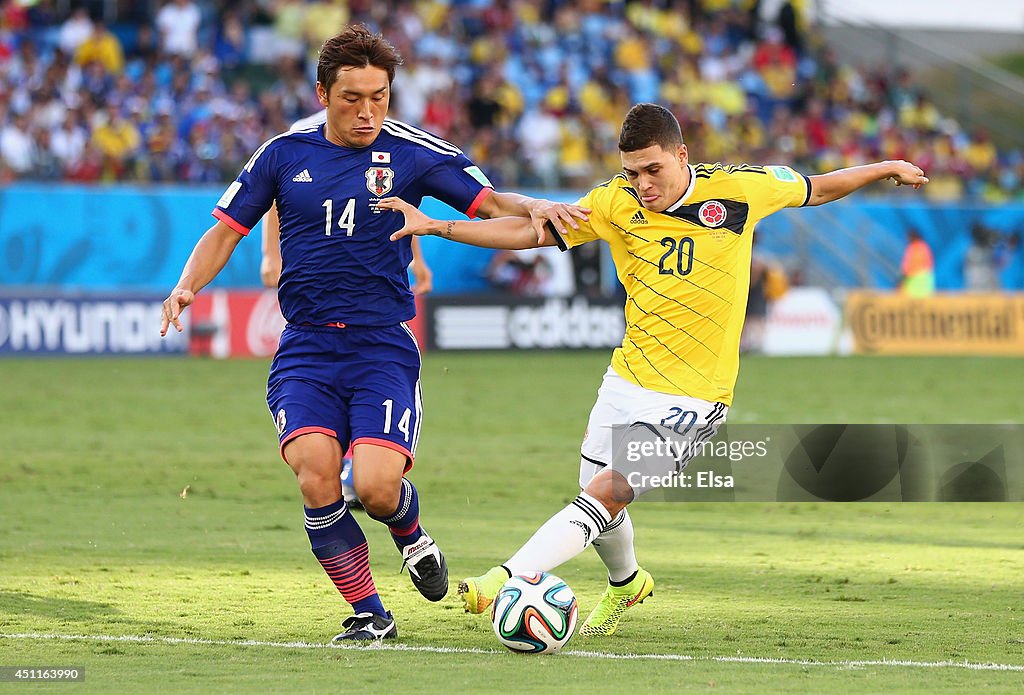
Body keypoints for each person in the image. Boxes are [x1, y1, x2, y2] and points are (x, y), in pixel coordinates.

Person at [378, 102, 928, 637]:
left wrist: (885, 167)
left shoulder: (740, 188)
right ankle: (626, 581)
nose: (642, 183)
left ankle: (505, 577)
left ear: (681, 154)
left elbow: (818, 187)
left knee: (608, 494)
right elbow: (534, 233)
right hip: (626, 378)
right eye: (632, 172)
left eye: (653, 169)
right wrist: (436, 227)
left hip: (695, 395)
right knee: (594, 495)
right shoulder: (616, 202)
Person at [160, 24, 587, 642]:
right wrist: (186, 285)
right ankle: (370, 613)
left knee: (379, 488)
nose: (367, 111)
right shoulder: (282, 154)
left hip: (382, 343)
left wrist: (537, 207)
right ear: (321, 93)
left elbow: (490, 204)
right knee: (315, 473)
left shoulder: (414, 152)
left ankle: (410, 535)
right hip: (306, 344)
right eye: (351, 98)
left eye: (379, 97)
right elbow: (226, 230)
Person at [898, 227, 934, 297]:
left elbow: (909, 266)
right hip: (926, 281)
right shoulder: (924, 247)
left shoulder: (913, 248)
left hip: (915, 280)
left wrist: (903, 280)